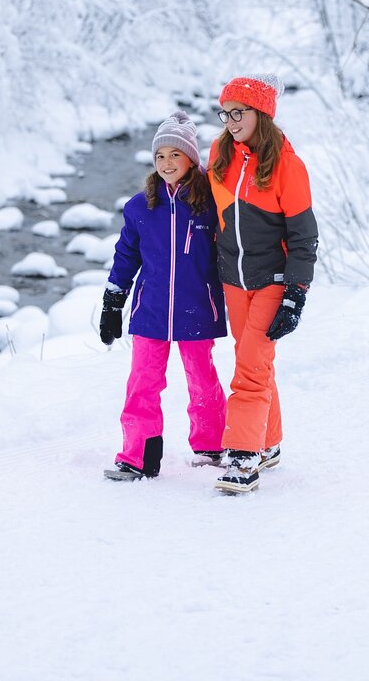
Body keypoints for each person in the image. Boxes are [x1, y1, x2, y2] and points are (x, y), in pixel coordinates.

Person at [101, 111, 228, 481]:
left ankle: (210, 445)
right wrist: (114, 301)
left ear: (191, 158)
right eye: (160, 156)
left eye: (175, 155)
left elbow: (231, 247)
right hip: (151, 309)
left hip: (197, 307)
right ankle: (138, 457)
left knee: (202, 378)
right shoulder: (141, 207)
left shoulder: (210, 201)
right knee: (142, 381)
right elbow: (126, 255)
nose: (167, 163)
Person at [207, 73, 318, 494]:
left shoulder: (288, 166)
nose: (231, 121)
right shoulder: (220, 152)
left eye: (240, 112)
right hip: (233, 278)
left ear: (262, 114)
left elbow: (304, 238)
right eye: (226, 112)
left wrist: (295, 295)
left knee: (249, 369)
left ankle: (242, 456)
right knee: (253, 360)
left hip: (272, 279)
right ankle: (267, 442)